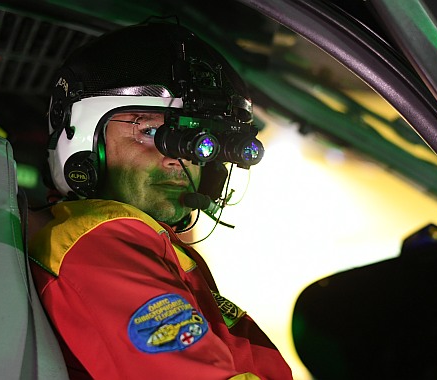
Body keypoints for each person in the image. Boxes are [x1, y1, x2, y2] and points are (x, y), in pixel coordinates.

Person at [28, 21, 292, 380]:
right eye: (149, 130)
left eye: (198, 139)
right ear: (84, 138)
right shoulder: (99, 246)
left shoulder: (146, 244)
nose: (177, 159)